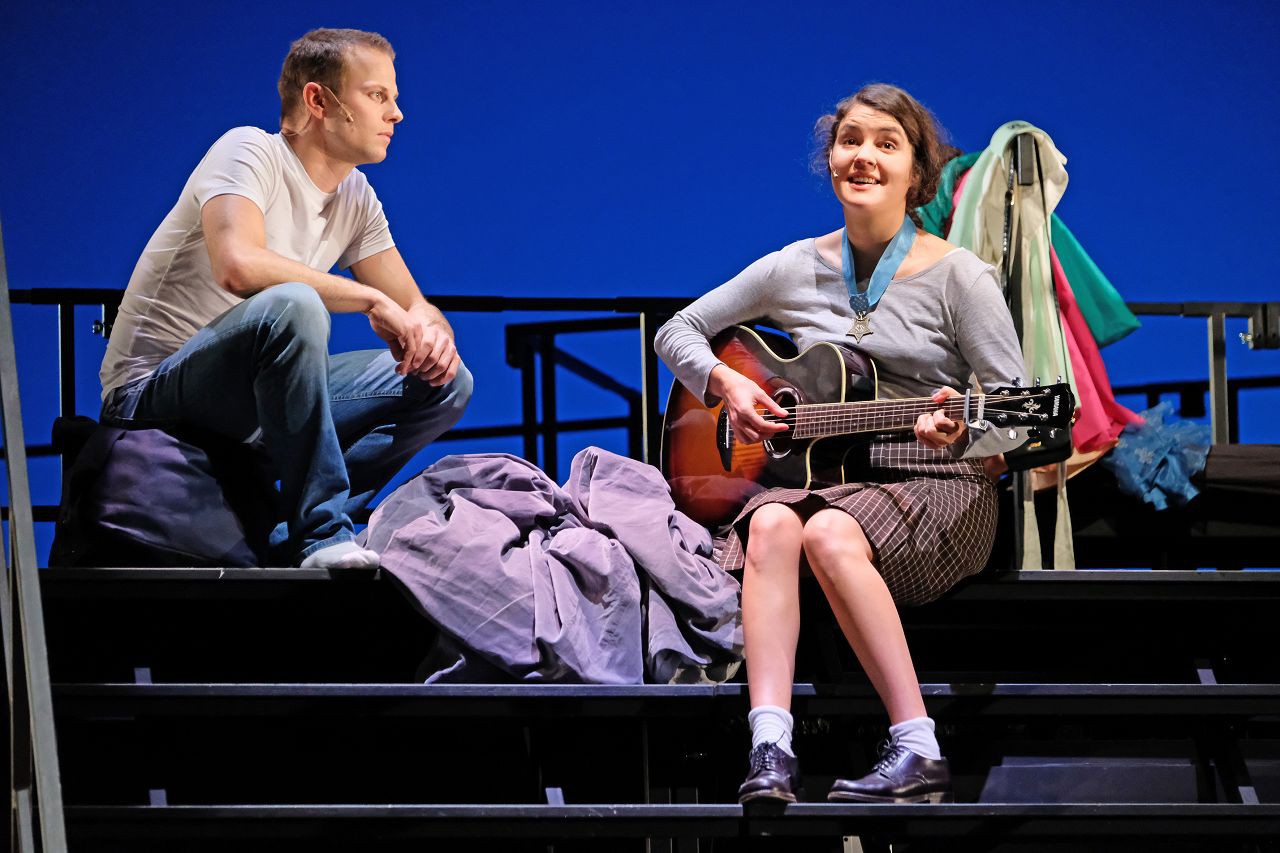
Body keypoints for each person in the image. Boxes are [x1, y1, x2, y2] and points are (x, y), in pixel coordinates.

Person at [655, 84, 1024, 804]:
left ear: (918, 174)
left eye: (887, 144)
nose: (864, 156)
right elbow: (679, 331)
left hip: (940, 482)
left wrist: (963, 433)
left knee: (825, 530)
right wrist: (725, 387)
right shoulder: (794, 266)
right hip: (830, 475)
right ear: (830, 160)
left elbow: (1014, 413)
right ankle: (770, 746)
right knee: (769, 519)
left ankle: (918, 746)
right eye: (850, 140)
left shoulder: (959, 277)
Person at [98, 28, 471, 569]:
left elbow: (416, 305)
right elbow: (238, 264)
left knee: (446, 379)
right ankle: (322, 535)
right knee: (293, 304)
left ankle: (289, 527)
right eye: (377, 96)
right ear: (319, 99)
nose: (397, 114)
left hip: (248, 403)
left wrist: (433, 334)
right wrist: (369, 301)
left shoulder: (356, 198)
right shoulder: (248, 150)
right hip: (151, 394)